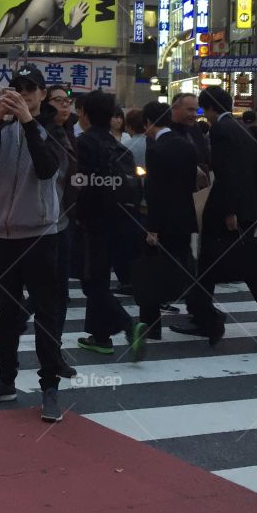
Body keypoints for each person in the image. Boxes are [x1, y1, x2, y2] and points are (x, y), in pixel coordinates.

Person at [0, 71, 65, 422]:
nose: (22, 96)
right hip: (4, 234)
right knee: (7, 315)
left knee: (47, 314)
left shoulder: (52, 129)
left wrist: (27, 120)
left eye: (29, 90)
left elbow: (45, 168)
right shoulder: (2, 128)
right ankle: (5, 379)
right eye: (16, 90)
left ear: (41, 93)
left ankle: (50, 387)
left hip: (40, 233)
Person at [191, 85, 257, 352]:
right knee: (215, 269)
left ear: (209, 108)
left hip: (226, 212)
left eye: (203, 109)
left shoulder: (221, 130)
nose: (205, 115)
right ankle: (208, 318)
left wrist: (231, 211)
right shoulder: (239, 129)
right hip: (244, 210)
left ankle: (212, 319)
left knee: (242, 271)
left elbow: (227, 173)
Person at [134, 101, 222, 346]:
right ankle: (208, 318)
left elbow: (155, 192)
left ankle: (152, 326)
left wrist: (152, 228)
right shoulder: (186, 145)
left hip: (163, 222)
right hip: (185, 219)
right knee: (186, 272)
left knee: (150, 273)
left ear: (147, 123)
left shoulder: (156, 149)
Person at [74, 90, 142, 358]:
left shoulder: (84, 144)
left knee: (93, 283)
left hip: (92, 223)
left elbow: (78, 184)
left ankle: (129, 325)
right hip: (121, 220)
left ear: (84, 114)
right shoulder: (120, 147)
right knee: (99, 277)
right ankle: (100, 337)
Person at [40, 82, 79, 373]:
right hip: (38, 222)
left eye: (67, 101)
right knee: (46, 290)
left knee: (58, 292)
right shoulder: (38, 132)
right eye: (58, 100)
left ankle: (54, 354)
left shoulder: (72, 133)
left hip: (64, 221)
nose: (64, 106)